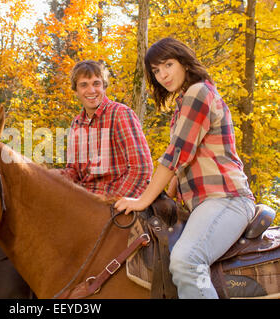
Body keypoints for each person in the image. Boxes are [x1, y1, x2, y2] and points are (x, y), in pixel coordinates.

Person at [114, 38, 255, 298]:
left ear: (184, 62)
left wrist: (143, 200)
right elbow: (184, 164)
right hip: (205, 203)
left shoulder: (198, 92)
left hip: (226, 198)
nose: (163, 75)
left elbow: (175, 154)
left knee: (186, 262)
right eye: (156, 71)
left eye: (168, 64)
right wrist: (168, 193)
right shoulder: (182, 106)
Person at [60, 60, 153, 198]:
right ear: (76, 91)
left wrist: (115, 204)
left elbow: (141, 168)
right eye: (84, 85)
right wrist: (47, 176)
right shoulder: (77, 123)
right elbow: (74, 171)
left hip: (114, 202)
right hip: (84, 201)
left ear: (104, 87)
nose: (91, 90)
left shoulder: (120, 114)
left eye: (96, 84)